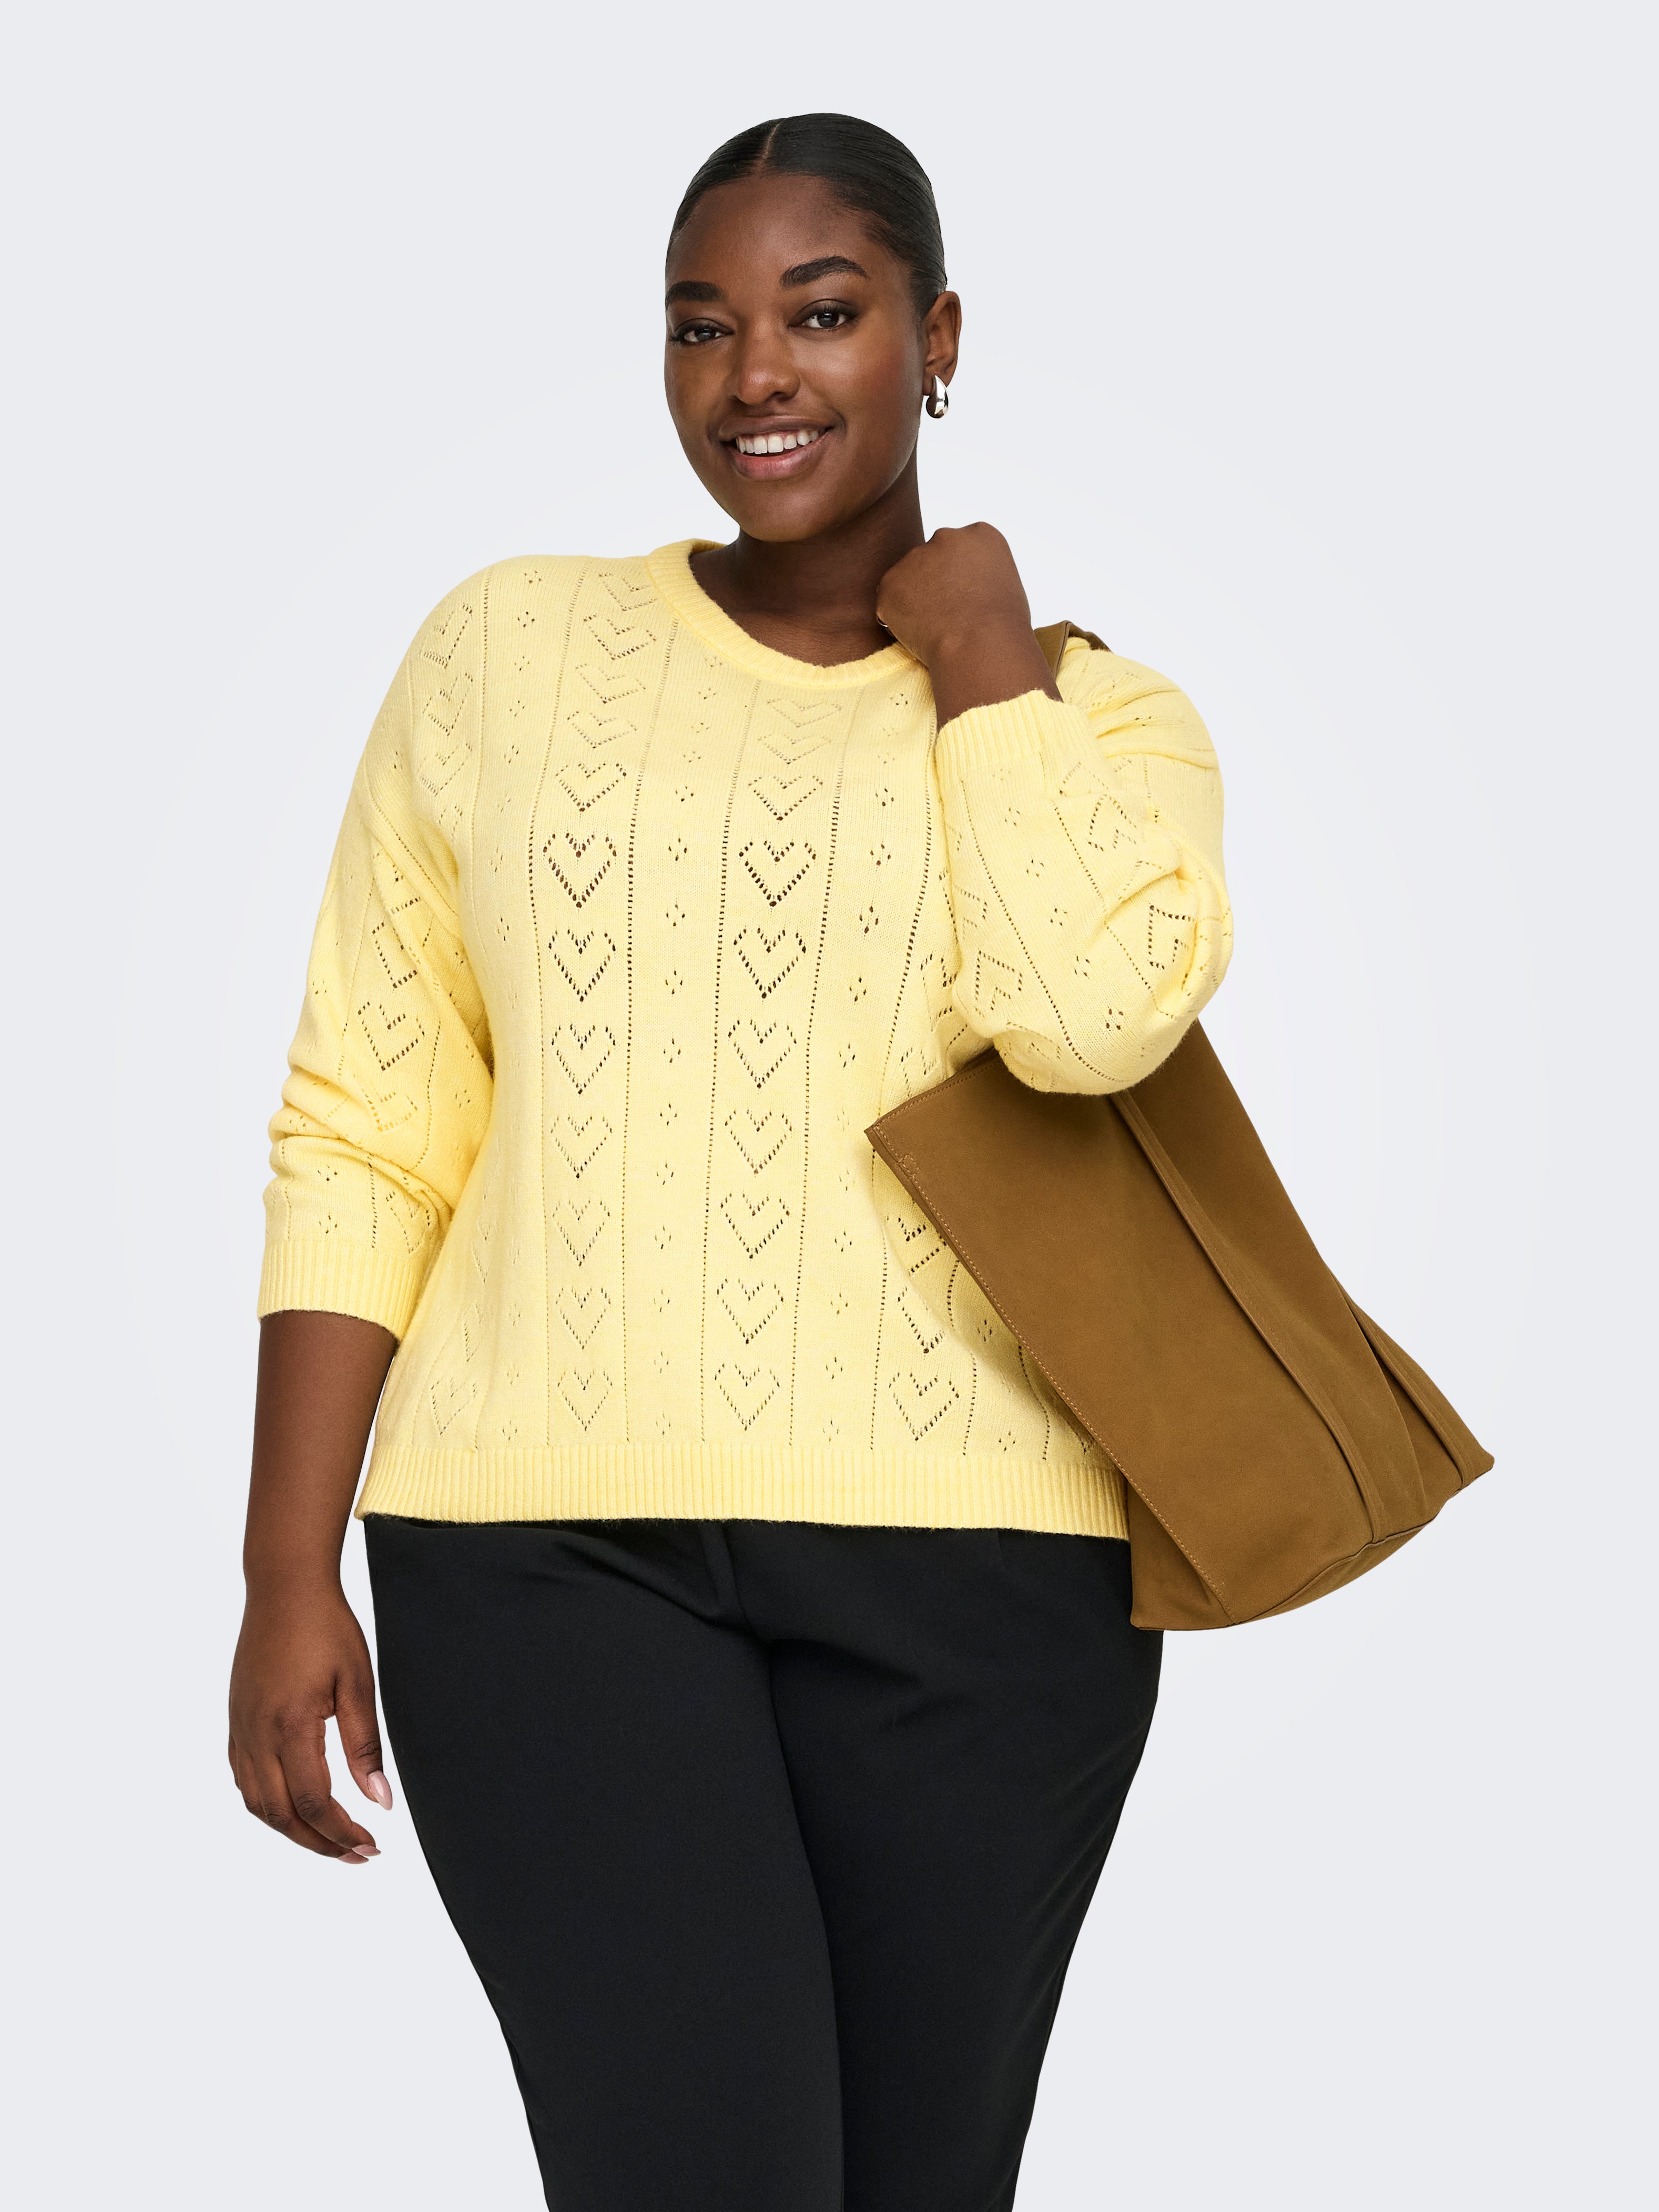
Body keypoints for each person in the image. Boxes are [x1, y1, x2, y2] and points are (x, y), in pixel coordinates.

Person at [229, 112, 1233, 2212]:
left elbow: (1086, 1021)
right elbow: (370, 1115)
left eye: (822, 313)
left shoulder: (1101, 724)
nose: (754, 373)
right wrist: (283, 1568)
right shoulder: (503, 652)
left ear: (936, 340)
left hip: (987, 1585)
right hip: (541, 1548)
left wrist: (982, 665)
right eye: (702, 326)